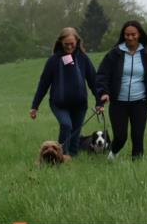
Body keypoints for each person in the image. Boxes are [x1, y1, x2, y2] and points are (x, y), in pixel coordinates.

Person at [96, 21, 147, 160]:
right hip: (118, 103)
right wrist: (103, 93)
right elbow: (102, 75)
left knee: (138, 136)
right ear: (123, 35)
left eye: (133, 34)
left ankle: (138, 165)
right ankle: (113, 154)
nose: (130, 37)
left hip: (140, 102)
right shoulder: (114, 54)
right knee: (121, 136)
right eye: (127, 35)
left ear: (139, 35)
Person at [29, 27, 102, 157]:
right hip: (59, 104)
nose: (69, 47)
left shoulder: (83, 58)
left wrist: (99, 102)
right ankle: (60, 156)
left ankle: (72, 158)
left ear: (77, 42)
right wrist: (35, 106)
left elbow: (93, 81)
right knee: (66, 125)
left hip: (79, 105)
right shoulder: (53, 61)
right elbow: (43, 84)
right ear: (60, 42)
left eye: (72, 44)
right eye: (66, 44)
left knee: (76, 132)